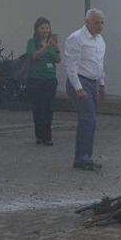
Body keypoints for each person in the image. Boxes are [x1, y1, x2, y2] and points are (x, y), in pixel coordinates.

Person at [64, 9, 107, 171]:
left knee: (90, 121)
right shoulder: (76, 39)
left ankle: (85, 156)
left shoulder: (100, 40)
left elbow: (99, 64)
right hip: (81, 82)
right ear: (87, 21)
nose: (100, 26)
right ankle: (82, 158)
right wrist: (78, 88)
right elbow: (71, 66)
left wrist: (102, 84)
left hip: (94, 82)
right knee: (88, 120)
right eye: (97, 22)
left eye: (102, 22)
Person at [25, 17, 61, 146]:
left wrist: (56, 48)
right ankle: (39, 135)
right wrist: (46, 47)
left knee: (48, 108)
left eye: (47, 28)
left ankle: (48, 136)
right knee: (38, 108)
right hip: (35, 79)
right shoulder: (32, 42)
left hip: (50, 79)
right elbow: (33, 56)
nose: (45, 30)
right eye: (42, 28)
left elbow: (57, 60)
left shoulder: (52, 43)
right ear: (37, 29)